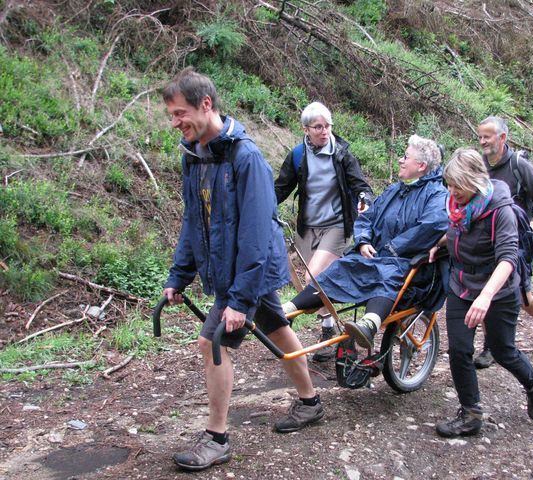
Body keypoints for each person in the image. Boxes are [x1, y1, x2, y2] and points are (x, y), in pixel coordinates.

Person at [162, 68, 323, 472]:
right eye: (171, 116)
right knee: (278, 329)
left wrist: (238, 299)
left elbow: (255, 231)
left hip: (248, 272)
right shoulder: (195, 156)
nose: (176, 122)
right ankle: (311, 402)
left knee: (210, 342)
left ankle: (217, 438)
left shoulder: (246, 157)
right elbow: (192, 221)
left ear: (206, 104)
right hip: (234, 271)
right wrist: (179, 276)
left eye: (180, 113)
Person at [282, 135, 448, 349]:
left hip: (404, 262)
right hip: (374, 254)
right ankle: (287, 308)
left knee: (388, 276)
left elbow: (430, 227)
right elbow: (367, 217)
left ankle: (368, 325)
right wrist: (362, 241)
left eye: (406, 157)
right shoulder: (395, 190)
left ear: (421, 165)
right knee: (339, 268)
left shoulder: (436, 194)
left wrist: (392, 248)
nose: (400, 160)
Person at [429, 148, 533, 438]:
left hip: (499, 290)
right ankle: (471, 413)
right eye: (450, 185)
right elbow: (457, 227)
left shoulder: (500, 210)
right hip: (461, 283)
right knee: (459, 350)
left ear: (475, 182)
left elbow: (508, 258)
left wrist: (486, 296)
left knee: (503, 351)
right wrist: (441, 243)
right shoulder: (456, 203)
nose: (452, 191)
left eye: (458, 185)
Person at [274, 101, 373, 361]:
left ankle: (325, 331)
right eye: (318, 126)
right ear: (306, 129)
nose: (324, 131)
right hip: (308, 226)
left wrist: (365, 198)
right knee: (315, 283)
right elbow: (281, 188)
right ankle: (329, 328)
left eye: (327, 125)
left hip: (337, 226)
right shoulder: (297, 155)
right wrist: (262, 206)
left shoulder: (341, 153)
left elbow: (359, 184)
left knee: (313, 278)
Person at [473, 116, 533, 369]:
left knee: (522, 298)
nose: (483, 141)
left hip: (518, 242)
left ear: (502, 138)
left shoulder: (519, 165)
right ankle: (491, 346)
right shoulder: (480, 167)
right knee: (486, 291)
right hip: (486, 241)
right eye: (480, 136)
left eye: (487, 136)